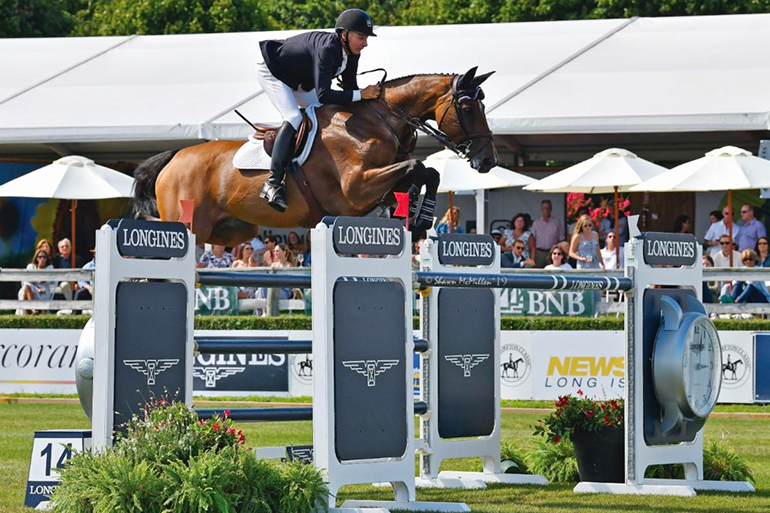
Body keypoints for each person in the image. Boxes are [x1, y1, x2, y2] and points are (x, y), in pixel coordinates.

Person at [256, 8, 380, 211]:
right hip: (273, 72)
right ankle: (273, 182)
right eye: (361, 37)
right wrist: (361, 94)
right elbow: (324, 94)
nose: (365, 43)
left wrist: (368, 102)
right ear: (344, 34)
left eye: (366, 38)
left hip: (299, 80)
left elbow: (349, 89)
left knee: (327, 113)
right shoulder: (327, 49)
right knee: (294, 116)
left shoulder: (351, 52)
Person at [254, 243, 297, 314]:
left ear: (284, 252)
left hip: (284, 290)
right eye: (274, 251)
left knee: (262, 291)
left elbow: (289, 282)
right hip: (273, 287)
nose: (275, 253)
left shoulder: (288, 265)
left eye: (277, 251)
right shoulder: (273, 265)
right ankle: (262, 313)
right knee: (259, 290)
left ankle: (264, 312)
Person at [17, 249, 55, 315]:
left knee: (27, 289)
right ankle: (33, 310)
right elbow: (27, 280)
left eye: (44, 257)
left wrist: (34, 280)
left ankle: (30, 313)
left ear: (46, 259)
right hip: (32, 288)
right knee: (27, 287)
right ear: (36, 258)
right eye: (40, 257)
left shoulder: (49, 267)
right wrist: (37, 288)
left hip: (44, 289)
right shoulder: (31, 266)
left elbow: (43, 280)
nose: (42, 259)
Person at [531, 200, 564, 268]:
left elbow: (561, 239)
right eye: (544, 208)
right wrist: (533, 256)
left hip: (552, 253)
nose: (546, 210)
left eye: (548, 208)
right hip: (540, 252)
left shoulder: (556, 222)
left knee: (553, 271)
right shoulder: (536, 223)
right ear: (541, 209)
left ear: (551, 209)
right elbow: (532, 239)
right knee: (539, 272)